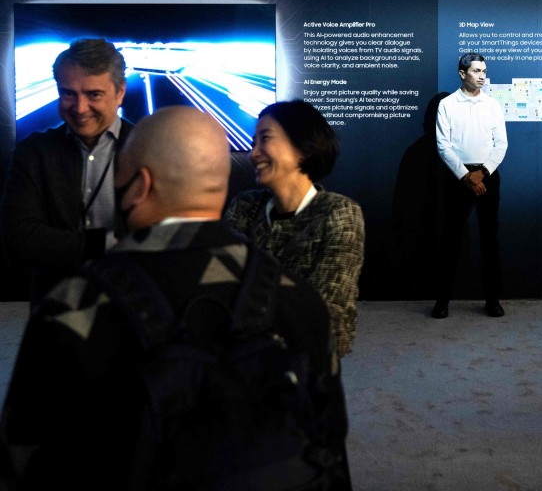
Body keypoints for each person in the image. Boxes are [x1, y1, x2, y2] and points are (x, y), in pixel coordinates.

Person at [0, 106, 352, 489]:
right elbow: (330, 440)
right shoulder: (300, 302)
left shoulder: (72, 304)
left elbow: (22, 452)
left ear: (140, 186)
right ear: (217, 185)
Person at [225, 100, 365, 358]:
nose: (253, 153)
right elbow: (221, 289)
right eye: (254, 142)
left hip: (306, 361)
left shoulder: (339, 213)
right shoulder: (245, 206)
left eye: (265, 139)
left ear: (304, 148)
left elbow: (325, 311)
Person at [1, 38, 133, 307]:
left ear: (120, 93)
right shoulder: (33, 152)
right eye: (68, 94)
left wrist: (62, 245)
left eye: (93, 94)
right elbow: (19, 239)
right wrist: (109, 243)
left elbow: (164, 238)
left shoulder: (151, 148)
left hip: (132, 303)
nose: (80, 108)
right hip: (55, 303)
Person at [433, 52, 509, 319]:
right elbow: (444, 146)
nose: (482, 76)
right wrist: (467, 176)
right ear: (462, 74)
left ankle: (492, 300)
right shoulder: (447, 105)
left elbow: (501, 144)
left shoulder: (492, 105)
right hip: (458, 179)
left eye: (484, 71)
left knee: (490, 239)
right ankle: (442, 301)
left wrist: (483, 172)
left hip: (488, 177)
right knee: (451, 239)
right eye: (477, 71)